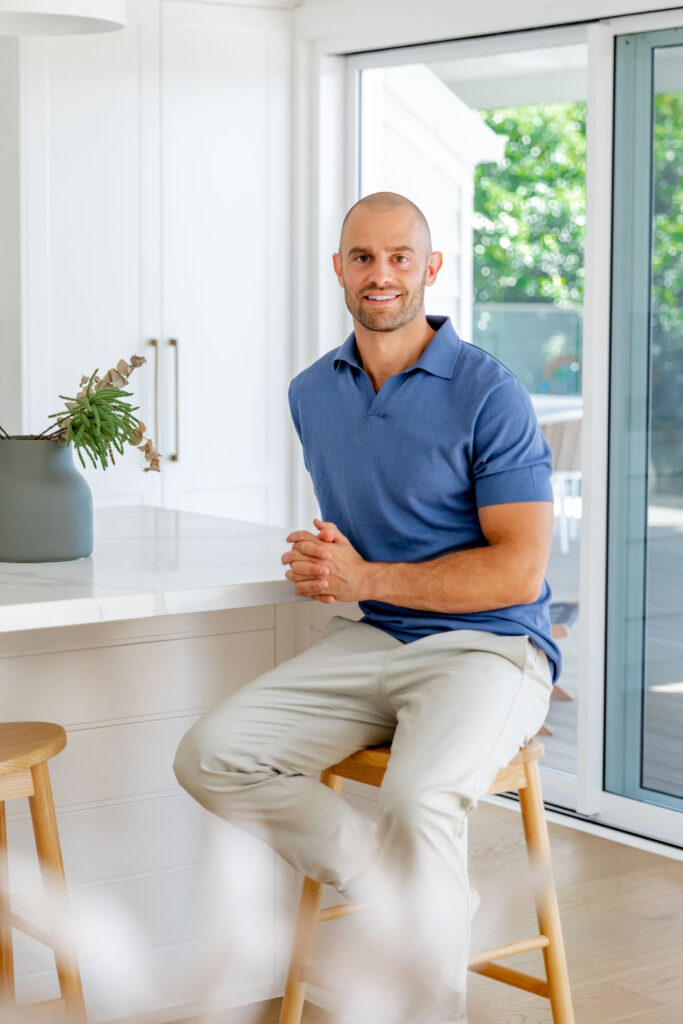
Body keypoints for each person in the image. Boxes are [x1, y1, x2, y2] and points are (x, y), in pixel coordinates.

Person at [174, 192, 560, 1024]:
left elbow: (520, 574)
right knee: (211, 756)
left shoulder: (490, 393)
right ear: (339, 270)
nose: (378, 274)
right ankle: (414, 902)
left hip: (490, 649)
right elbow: (362, 540)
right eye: (361, 257)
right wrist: (325, 564)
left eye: (396, 257)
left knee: (418, 800)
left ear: (430, 269)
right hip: (374, 638)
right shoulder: (312, 391)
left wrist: (365, 578)